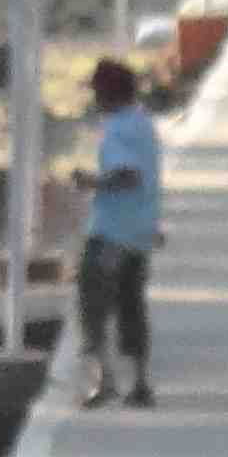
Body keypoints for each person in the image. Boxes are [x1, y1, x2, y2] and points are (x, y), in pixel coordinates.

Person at [74, 57, 161, 409]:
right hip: (139, 231)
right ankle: (139, 383)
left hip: (111, 232)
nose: (94, 98)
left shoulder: (117, 129)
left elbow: (128, 174)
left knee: (94, 307)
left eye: (96, 90)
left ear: (107, 93)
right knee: (131, 307)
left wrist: (91, 181)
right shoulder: (144, 125)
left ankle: (102, 382)